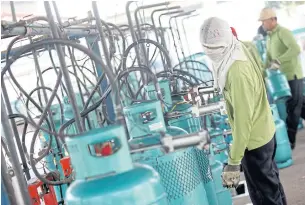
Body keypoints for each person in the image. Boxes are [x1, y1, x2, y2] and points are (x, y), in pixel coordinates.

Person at [200, 17, 287, 205]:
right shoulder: (239, 49)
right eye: (208, 48)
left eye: (215, 48)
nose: (212, 53)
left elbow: (243, 122)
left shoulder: (235, 71)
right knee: (272, 187)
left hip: (254, 142)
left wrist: (233, 162)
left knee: (264, 196)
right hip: (265, 131)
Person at [259, 7, 304, 150]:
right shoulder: (270, 38)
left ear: (273, 20)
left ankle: (289, 141)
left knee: (293, 108)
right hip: (282, 79)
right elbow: (269, 59)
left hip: (293, 76)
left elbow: (295, 49)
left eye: (264, 21)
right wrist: (262, 74)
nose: (263, 24)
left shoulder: (283, 32)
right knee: (300, 106)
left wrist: (279, 61)